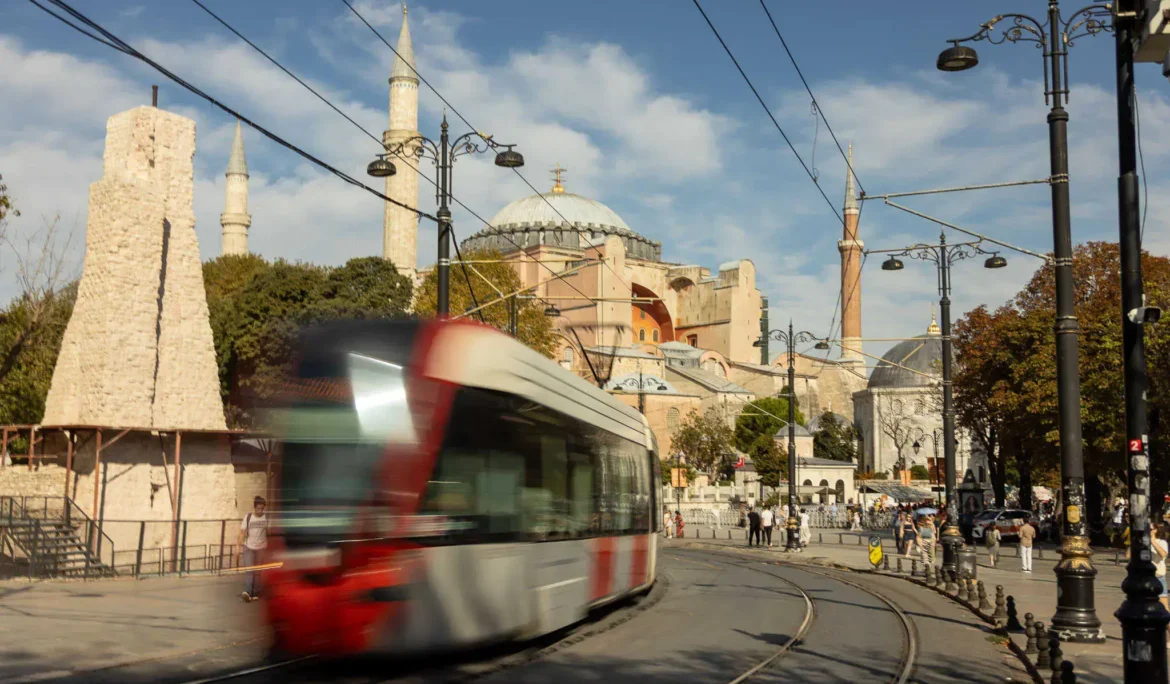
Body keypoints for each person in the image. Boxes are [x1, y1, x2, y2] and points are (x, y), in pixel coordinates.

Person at [236, 496, 268, 602]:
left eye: (262, 509)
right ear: (254, 507)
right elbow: (242, 532)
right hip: (248, 547)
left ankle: (255, 593)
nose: (260, 511)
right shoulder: (248, 517)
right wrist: (237, 546)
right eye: (258, 508)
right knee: (249, 570)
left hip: (261, 548)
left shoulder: (267, 518)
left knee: (257, 572)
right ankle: (248, 593)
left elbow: (271, 533)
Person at [1152, 523, 1168, 611]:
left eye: (1149, 530)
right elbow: (1128, 555)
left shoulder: (1161, 542)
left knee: (1164, 608)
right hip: (1144, 578)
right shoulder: (1142, 543)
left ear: (1155, 530)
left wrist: (1152, 541)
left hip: (1158, 577)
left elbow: (1163, 554)